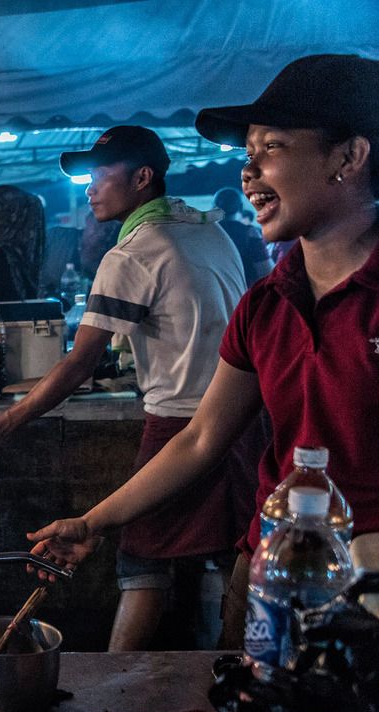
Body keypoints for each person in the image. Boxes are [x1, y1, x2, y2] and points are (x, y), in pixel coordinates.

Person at [27, 54, 379, 649]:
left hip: (368, 589)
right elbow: (199, 439)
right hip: (268, 572)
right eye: (247, 153)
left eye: (272, 147)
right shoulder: (266, 304)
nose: (249, 171)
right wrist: (94, 522)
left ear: (349, 156)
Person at [0, 125, 247, 651]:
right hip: (243, 421)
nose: (90, 188)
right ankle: (227, 677)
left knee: (142, 560)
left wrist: (2, 425)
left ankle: (115, 683)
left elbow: (78, 365)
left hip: (181, 424)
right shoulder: (209, 230)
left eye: (99, 174)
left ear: (141, 178)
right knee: (226, 555)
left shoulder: (134, 252)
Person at [213, 186, 272, 287]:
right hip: (244, 295)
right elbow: (266, 270)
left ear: (214, 207)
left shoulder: (206, 233)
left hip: (215, 296)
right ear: (240, 207)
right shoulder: (250, 233)